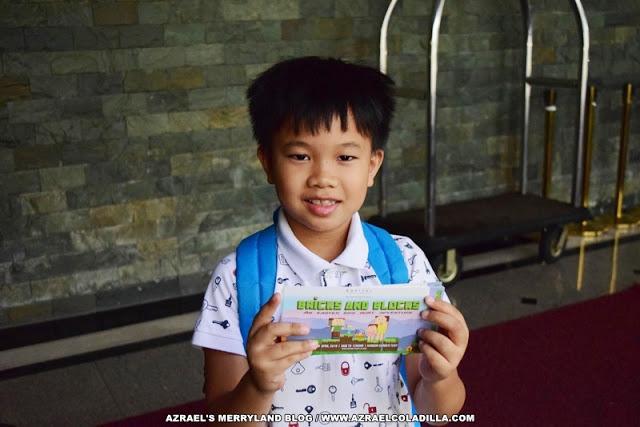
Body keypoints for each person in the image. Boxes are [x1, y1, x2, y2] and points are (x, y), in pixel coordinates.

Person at [192, 56, 468, 426]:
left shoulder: (406, 263)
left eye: (345, 156)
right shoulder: (236, 278)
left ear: (372, 165)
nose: (323, 177)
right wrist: (258, 385)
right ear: (267, 162)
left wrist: (441, 377)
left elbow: (439, 414)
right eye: (300, 155)